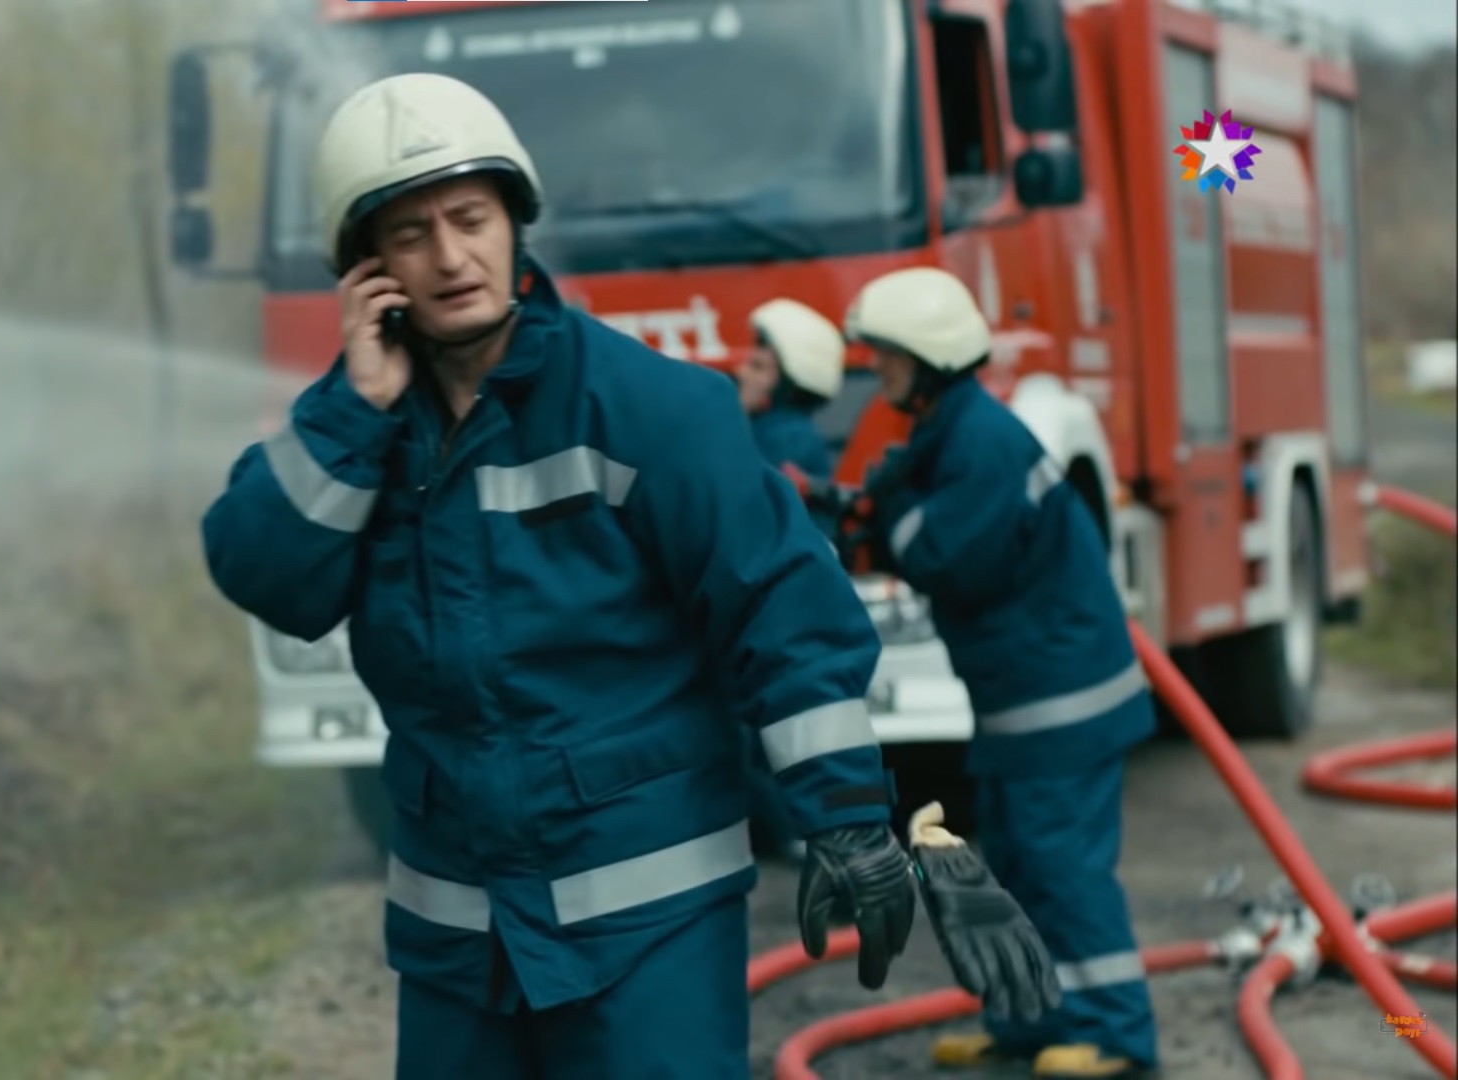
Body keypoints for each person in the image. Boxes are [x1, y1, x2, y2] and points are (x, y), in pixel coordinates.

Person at [202, 74, 1055, 1079]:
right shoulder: (357, 427)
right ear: (367, 268)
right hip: (459, 943)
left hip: (648, 931)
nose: (451, 256)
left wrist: (848, 818)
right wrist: (354, 407)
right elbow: (265, 575)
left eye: (470, 220)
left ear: (515, 224)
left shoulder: (651, 409)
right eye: (411, 234)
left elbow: (784, 610)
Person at [839, 266, 1160, 1079]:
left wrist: (887, 521)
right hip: (1020, 702)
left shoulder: (979, 441)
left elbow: (944, 555)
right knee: (1013, 865)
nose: (879, 368)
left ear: (931, 357)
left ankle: (1118, 1033)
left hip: (1062, 701)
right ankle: (1027, 1021)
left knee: (1063, 870)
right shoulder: (948, 433)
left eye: (889, 355)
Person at [733, 299, 849, 860]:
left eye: (760, 366)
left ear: (790, 380)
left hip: (774, 615)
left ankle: (799, 832)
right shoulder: (778, 433)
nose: (742, 371)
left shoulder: (779, 439)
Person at [736, 298, 844, 498]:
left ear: (786, 385)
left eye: (757, 367)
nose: (741, 372)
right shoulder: (773, 431)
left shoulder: (786, 440)